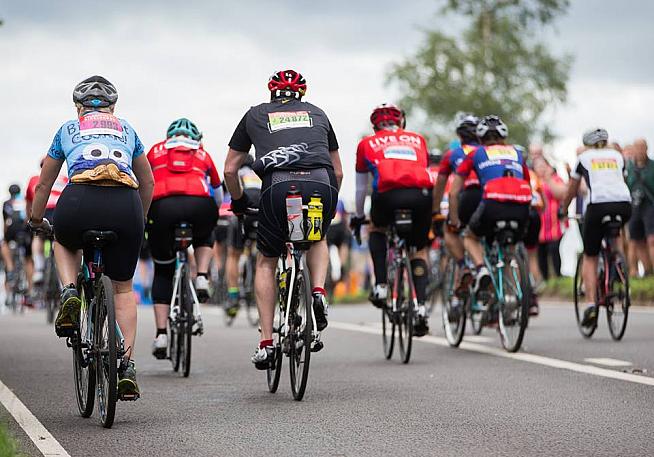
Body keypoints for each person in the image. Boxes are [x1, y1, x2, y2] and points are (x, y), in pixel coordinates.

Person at [29, 75, 154, 399]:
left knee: (62, 240)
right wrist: (138, 219)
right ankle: (126, 365)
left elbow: (45, 184)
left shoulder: (67, 130)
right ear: (114, 106)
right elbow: (149, 182)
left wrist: (35, 219)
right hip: (125, 203)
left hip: (79, 199)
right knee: (123, 288)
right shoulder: (127, 129)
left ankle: (70, 291)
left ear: (77, 107)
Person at [223, 69, 342, 368]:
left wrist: (238, 202)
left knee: (266, 260)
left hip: (278, 185)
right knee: (317, 238)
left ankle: (266, 343)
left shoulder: (255, 114)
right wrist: (327, 198)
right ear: (302, 93)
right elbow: (338, 171)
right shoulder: (318, 113)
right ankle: (318, 291)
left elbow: (229, 169)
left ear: (271, 92)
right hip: (321, 182)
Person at [351, 103, 434, 336]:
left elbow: (360, 190)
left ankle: (380, 285)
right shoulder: (418, 139)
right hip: (421, 197)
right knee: (418, 251)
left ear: (375, 126)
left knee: (376, 228)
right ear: (401, 122)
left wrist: (359, 217)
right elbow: (421, 171)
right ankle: (421, 307)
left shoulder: (366, 143)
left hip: (387, 196)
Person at [146, 118, 222, 358]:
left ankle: (161, 335)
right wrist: (213, 213)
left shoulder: (156, 150)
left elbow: (143, 183)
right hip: (199, 205)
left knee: (163, 270)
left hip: (162, 207)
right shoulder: (202, 153)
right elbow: (218, 193)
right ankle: (201, 276)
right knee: (205, 234)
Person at [450, 115, 532, 293]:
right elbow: (527, 183)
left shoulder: (475, 153)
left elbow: (454, 191)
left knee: (469, 237)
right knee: (510, 250)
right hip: (521, 205)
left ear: (480, 139)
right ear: (504, 139)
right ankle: (516, 297)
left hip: (493, 202)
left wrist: (454, 220)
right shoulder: (517, 153)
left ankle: (481, 269)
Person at [561, 129, 631, 327]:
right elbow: (621, 180)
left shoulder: (583, 158)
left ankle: (591, 303)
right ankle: (619, 267)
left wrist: (563, 209)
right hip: (624, 204)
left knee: (590, 256)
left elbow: (572, 190)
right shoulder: (617, 156)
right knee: (615, 235)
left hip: (598, 205)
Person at [433, 114, 481, 292]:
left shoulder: (453, 154)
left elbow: (441, 186)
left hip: (467, 197)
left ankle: (464, 266)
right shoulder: (486, 152)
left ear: (460, 136)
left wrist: (436, 211)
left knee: (451, 231)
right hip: (491, 198)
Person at [224, 154, 261, 318]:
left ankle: (233, 296)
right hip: (262, 213)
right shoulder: (260, 173)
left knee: (233, 254)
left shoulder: (236, 173)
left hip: (243, 214)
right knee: (265, 257)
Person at [25, 158, 68, 284]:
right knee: (60, 241)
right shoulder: (64, 179)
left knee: (38, 237)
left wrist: (31, 220)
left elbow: (28, 203)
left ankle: (38, 269)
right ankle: (64, 281)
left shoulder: (34, 179)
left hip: (45, 210)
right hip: (61, 211)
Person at [533, 156, 567, 279]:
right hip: (539, 223)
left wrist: (548, 180)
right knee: (541, 252)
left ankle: (558, 276)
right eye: (538, 166)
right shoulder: (533, 180)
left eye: (543, 166)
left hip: (554, 223)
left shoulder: (555, 179)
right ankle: (545, 278)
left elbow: (561, 194)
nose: (541, 169)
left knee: (554, 249)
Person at [625, 138, 654, 275]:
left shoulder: (652, 166)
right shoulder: (629, 168)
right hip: (634, 206)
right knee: (635, 240)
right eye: (637, 148)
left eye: (642, 147)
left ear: (647, 149)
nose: (639, 151)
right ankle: (643, 272)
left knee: (651, 239)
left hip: (650, 206)